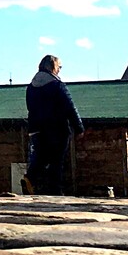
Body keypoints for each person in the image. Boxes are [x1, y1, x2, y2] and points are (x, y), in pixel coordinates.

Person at [24, 54, 82, 195]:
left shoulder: (31, 87)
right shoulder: (57, 85)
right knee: (57, 160)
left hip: (36, 128)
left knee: (41, 156)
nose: (60, 69)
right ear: (52, 67)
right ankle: (55, 189)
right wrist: (79, 127)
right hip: (57, 128)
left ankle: (30, 178)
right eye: (59, 66)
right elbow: (69, 106)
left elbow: (30, 107)